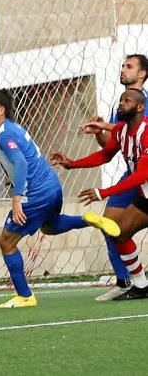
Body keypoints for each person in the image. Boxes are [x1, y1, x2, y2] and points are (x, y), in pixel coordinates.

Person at [0, 89, 118, 308]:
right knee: (50, 227)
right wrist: (12, 178)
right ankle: (88, 219)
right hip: (52, 186)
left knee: (6, 242)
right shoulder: (14, 128)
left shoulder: (4, 135)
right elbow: (28, 157)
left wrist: (16, 199)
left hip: (35, 194)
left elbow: (21, 163)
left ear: (1, 110)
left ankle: (25, 296)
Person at [51, 88, 148, 300]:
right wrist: (72, 164)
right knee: (119, 233)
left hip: (143, 191)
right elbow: (105, 155)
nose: (121, 104)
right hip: (146, 198)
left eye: (127, 101)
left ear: (140, 107)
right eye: (121, 100)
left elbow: (141, 176)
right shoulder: (121, 131)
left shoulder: (146, 132)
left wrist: (103, 192)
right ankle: (141, 286)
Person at [77, 54, 148, 300]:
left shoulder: (142, 103)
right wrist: (99, 131)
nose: (123, 70)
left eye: (129, 66)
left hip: (141, 175)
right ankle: (128, 281)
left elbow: (137, 131)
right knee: (112, 226)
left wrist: (103, 192)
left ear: (142, 73)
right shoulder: (121, 105)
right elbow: (110, 147)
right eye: (122, 66)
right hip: (134, 176)